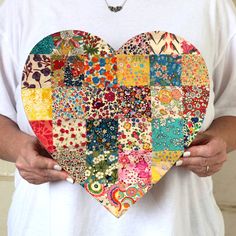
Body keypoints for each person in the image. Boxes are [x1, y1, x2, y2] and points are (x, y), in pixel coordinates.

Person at [0, 0, 236, 235]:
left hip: (179, 225)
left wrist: (218, 143)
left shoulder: (209, 6)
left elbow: (232, 110)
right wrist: (20, 149)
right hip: (49, 226)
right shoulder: (21, 7)